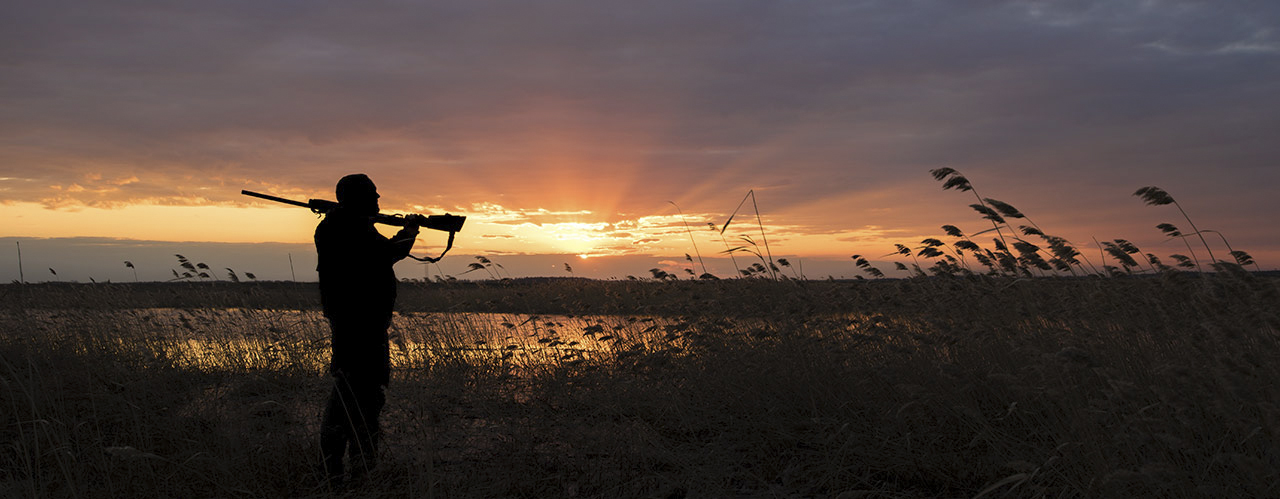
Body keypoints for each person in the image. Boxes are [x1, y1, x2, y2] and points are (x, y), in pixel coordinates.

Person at [314, 173, 423, 487]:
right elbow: (385, 255)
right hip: (356, 328)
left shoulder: (347, 225)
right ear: (357, 198)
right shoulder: (344, 228)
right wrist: (409, 231)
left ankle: (348, 474)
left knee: (362, 396)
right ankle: (347, 476)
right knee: (355, 397)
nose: (378, 200)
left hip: (363, 326)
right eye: (373, 195)